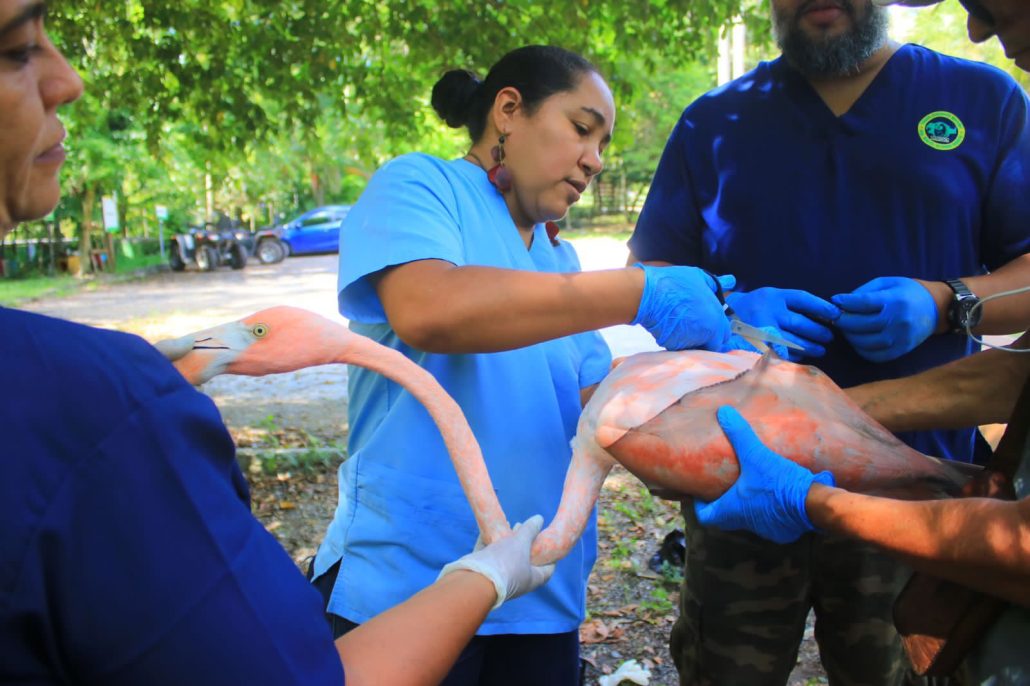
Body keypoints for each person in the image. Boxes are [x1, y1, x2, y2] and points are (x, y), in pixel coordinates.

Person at [1, 2, 558, 684]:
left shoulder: (552, 249)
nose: (68, 79)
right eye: (17, 48)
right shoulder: (101, 411)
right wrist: (484, 578)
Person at [307, 45, 742, 685]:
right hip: (408, 582)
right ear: (508, 110)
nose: (595, 160)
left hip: (539, 590)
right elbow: (428, 309)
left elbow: (605, 405)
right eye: (581, 128)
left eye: (604, 143)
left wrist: (732, 360)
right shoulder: (420, 186)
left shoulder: (557, 259)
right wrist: (638, 291)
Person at [627, 0, 1030, 683]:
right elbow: (648, 275)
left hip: (912, 488)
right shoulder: (714, 120)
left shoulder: (984, 99)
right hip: (741, 475)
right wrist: (723, 306)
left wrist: (944, 302)